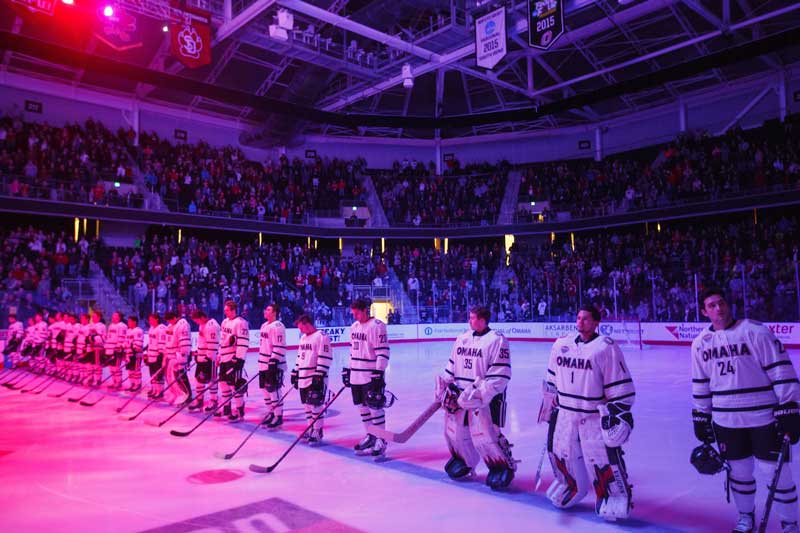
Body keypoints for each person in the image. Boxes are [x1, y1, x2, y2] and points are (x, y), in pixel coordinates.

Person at [691, 288, 800, 533]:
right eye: (712, 305)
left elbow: (780, 369)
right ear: (704, 311)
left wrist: (789, 406)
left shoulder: (755, 331)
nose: (718, 308)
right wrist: (700, 414)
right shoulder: (700, 344)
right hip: (725, 419)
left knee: (776, 473)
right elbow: (700, 382)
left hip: (764, 415)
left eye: (721, 303)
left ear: (728, 304)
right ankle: (745, 516)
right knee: (739, 473)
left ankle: (789, 523)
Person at [540, 304, 635, 521]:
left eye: (586, 319)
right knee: (562, 453)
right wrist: (549, 400)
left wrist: (618, 413)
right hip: (565, 411)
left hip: (592, 414)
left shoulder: (605, 347)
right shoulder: (562, 344)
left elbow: (620, 387)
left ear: (596, 323)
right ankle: (571, 486)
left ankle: (615, 495)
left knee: (600, 458)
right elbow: (552, 378)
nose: (580, 322)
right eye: (578, 318)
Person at [435, 305, 516, 490]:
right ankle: (464, 460)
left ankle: (502, 466)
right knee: (455, 432)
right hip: (460, 394)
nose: (469, 321)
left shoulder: (497, 340)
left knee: (486, 435)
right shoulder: (462, 338)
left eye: (472, 318)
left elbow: (500, 374)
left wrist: (481, 393)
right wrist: (445, 384)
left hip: (485, 398)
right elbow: (452, 365)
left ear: (482, 320)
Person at [343, 298, 391, 458]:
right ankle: (371, 435)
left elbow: (383, 352)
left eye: (357, 313)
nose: (354, 316)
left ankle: (381, 439)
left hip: (370, 374)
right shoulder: (354, 327)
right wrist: (349, 370)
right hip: (356, 374)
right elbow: (352, 350)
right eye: (353, 313)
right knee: (362, 408)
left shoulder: (377, 326)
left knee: (374, 407)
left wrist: (379, 373)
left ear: (365, 310)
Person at [292, 314, 333, 445]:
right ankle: (311, 428)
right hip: (303, 377)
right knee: (306, 406)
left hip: (315, 377)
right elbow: (300, 356)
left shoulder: (321, 336)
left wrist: (319, 374)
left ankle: (318, 431)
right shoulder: (303, 338)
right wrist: (296, 371)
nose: (300, 331)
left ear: (307, 324)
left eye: (301, 328)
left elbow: (325, 356)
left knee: (316, 405)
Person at [218, 300, 249, 422]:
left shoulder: (240, 323)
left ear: (233, 310)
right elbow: (222, 340)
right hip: (224, 358)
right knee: (223, 384)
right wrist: (219, 355)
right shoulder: (224, 322)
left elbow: (243, 342)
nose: (225, 312)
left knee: (234, 385)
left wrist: (239, 358)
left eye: (227, 310)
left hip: (233, 357)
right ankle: (226, 408)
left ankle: (239, 410)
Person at [258, 303, 288, 428]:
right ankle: (271, 412)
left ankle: (278, 415)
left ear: (275, 312)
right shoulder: (264, 325)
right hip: (263, 363)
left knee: (274, 390)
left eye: (268, 309)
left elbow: (280, 346)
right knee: (265, 390)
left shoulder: (278, 326)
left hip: (273, 364)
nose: (265, 310)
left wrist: (274, 360)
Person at [189, 310, 219, 412]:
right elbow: (202, 341)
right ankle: (199, 400)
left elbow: (213, 344)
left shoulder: (212, 325)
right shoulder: (202, 325)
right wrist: (198, 352)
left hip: (209, 359)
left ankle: (214, 400)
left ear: (202, 317)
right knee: (198, 379)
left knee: (212, 380)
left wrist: (209, 357)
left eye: (197, 320)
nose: (196, 323)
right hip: (201, 358)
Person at [164, 311, 192, 406]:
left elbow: (184, 342)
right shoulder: (170, 326)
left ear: (175, 317)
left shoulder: (183, 325)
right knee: (173, 378)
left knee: (181, 377)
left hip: (179, 355)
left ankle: (187, 396)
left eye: (171, 320)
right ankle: (179, 394)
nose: (170, 322)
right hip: (171, 355)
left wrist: (183, 356)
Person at [145, 314, 167, 399]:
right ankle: (154, 389)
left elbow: (162, 343)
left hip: (158, 355)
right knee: (153, 373)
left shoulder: (161, 329)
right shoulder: (151, 328)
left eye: (151, 319)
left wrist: (161, 354)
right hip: (151, 354)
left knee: (158, 374)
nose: (150, 321)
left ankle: (160, 391)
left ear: (157, 319)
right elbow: (151, 342)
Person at [104, 312, 128, 390]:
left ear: (119, 317)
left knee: (116, 367)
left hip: (116, 349)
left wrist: (119, 347)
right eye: (113, 315)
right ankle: (114, 381)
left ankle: (118, 382)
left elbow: (123, 338)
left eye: (115, 316)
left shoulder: (122, 326)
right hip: (109, 349)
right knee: (111, 367)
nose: (113, 317)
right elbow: (108, 337)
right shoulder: (111, 325)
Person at [124, 316, 144, 392]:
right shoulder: (128, 331)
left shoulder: (138, 331)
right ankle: (132, 383)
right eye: (128, 321)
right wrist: (123, 346)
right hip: (128, 353)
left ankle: (137, 384)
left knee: (136, 370)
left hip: (136, 354)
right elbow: (126, 341)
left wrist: (134, 348)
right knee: (130, 370)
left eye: (130, 321)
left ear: (134, 322)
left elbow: (138, 343)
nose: (128, 323)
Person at [88, 310, 106, 386]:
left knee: (97, 364)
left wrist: (95, 338)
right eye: (92, 317)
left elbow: (103, 337)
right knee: (91, 364)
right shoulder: (90, 325)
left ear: (99, 317)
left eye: (94, 316)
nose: (93, 318)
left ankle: (98, 379)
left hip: (98, 348)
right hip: (91, 347)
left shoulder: (102, 326)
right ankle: (91, 378)